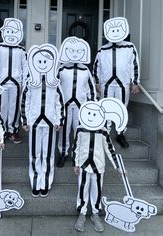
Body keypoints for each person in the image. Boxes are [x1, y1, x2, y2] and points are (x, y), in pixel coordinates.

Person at [73, 98, 127, 232]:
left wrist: (119, 167)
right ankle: (82, 212)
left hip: (98, 166)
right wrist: (75, 163)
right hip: (84, 165)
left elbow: (110, 150)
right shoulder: (80, 129)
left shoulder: (103, 131)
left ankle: (95, 213)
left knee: (97, 189)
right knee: (83, 187)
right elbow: (76, 147)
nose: (91, 117)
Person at [21, 44, 64, 198]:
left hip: (51, 122)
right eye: (39, 62)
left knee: (48, 154)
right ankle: (35, 182)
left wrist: (60, 119)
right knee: (34, 154)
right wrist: (25, 120)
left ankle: (45, 182)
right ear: (33, 63)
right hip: (34, 122)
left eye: (46, 62)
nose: (42, 65)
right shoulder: (30, 82)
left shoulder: (55, 82)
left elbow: (60, 102)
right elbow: (24, 101)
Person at [93, 17, 140, 148]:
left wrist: (135, 82)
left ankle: (120, 134)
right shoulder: (102, 49)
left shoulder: (129, 47)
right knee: (105, 107)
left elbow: (134, 65)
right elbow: (96, 66)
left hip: (123, 83)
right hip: (106, 84)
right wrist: (96, 82)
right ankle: (105, 132)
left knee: (122, 108)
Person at [56, 36, 96, 167]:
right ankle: (63, 152)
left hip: (81, 106)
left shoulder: (85, 70)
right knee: (64, 130)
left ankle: (77, 154)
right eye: (71, 51)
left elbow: (91, 88)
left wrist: (92, 104)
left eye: (78, 52)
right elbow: (56, 88)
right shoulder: (61, 69)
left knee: (79, 130)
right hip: (65, 106)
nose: (74, 54)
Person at [0, 18, 28, 144]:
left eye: (14, 32)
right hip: (1, 83)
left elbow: (25, 66)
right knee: (1, 106)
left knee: (14, 108)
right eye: (9, 31)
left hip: (16, 83)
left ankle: (12, 130)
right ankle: (1, 130)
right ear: (4, 32)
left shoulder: (21, 50)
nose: (11, 35)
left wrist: (23, 82)